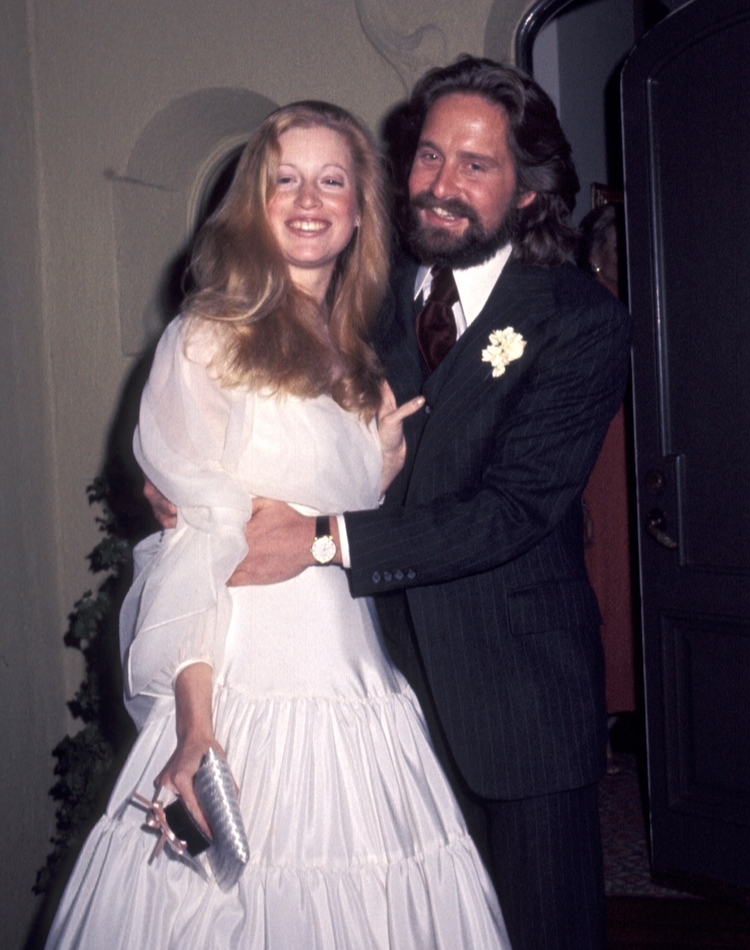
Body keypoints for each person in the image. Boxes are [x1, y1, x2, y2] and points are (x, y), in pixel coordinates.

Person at [150, 58, 632, 949]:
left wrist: (324, 539)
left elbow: (514, 512)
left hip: (514, 702)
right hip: (377, 692)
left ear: (528, 193)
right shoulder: (357, 301)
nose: (443, 186)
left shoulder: (578, 321)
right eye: (429, 157)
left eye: (476, 166)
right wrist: (193, 482)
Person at [44, 101, 511, 950]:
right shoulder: (206, 339)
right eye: (284, 179)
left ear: (362, 210)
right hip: (245, 693)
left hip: (358, 689)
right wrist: (195, 728)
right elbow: (193, 548)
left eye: (332, 179)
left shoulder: (360, 363)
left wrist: (385, 463)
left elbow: (346, 525)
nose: (308, 198)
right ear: (253, 204)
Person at [577, 203, 636, 774]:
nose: (625, 253)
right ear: (597, 254)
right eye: (617, 244)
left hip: (632, 469)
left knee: (629, 594)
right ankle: (596, 728)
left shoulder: (642, 306)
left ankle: (627, 720)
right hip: (596, 471)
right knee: (601, 596)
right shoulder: (587, 309)